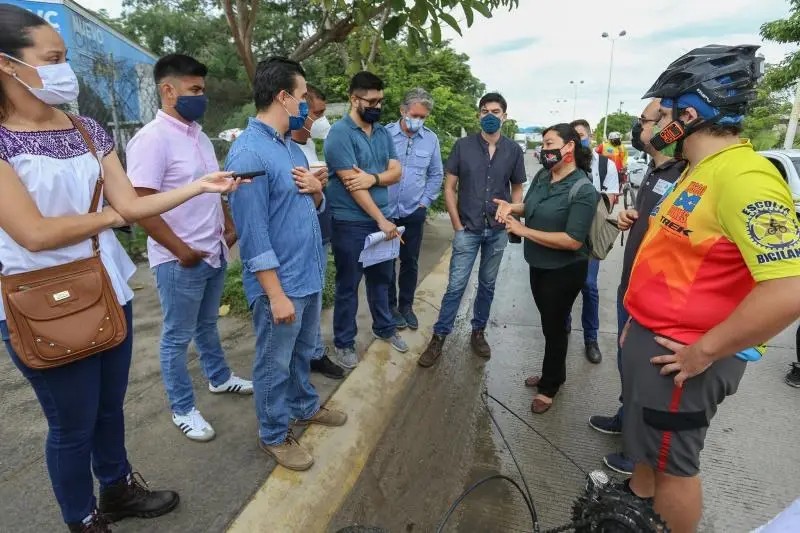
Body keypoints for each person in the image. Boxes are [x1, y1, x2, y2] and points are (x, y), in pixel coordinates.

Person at [0, 6, 241, 531]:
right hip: (39, 300)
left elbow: (132, 205)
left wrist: (200, 187)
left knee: (109, 407)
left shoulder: (86, 129)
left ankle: (116, 489)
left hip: (106, 285)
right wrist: (107, 216)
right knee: (71, 424)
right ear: (8, 65)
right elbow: (34, 234)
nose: (67, 70)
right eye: (53, 59)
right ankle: (82, 517)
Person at [621, 45, 800, 533]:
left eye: (662, 114)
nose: (654, 127)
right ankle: (635, 511)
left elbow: (789, 288)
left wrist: (704, 352)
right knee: (650, 455)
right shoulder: (697, 169)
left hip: (684, 358)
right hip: (654, 339)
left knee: (674, 469)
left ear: (690, 115)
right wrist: (637, 323)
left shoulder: (746, 177)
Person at [226, 57, 347, 472]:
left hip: (306, 274)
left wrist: (316, 191)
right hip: (281, 283)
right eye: (301, 96)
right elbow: (253, 234)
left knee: (300, 353)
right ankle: (274, 433)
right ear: (283, 97)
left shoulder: (289, 145)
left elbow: (309, 206)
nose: (306, 106)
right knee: (273, 363)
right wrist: (275, 294)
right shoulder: (247, 152)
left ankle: (304, 406)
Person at [126, 54, 253, 443]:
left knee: (207, 324)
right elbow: (141, 206)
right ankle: (182, 408)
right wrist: (181, 251)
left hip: (211, 249)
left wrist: (227, 226)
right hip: (179, 258)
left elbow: (211, 187)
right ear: (168, 90)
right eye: (194, 90)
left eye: (203, 90)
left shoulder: (196, 134)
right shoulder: (151, 140)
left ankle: (218, 377)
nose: (202, 97)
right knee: (177, 336)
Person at [587, 99, 687, 476]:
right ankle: (626, 416)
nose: (637, 128)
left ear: (669, 126)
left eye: (643, 121)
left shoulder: (684, 175)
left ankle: (637, 454)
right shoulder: (655, 171)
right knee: (628, 362)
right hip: (632, 286)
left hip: (657, 295)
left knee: (646, 372)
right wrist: (633, 216)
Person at [418, 92, 526, 367]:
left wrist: (514, 217)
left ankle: (478, 331)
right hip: (468, 228)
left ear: (505, 115)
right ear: (478, 115)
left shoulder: (513, 150)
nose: (490, 116)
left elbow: (516, 188)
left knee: (487, 285)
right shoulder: (463, 146)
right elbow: (449, 187)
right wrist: (456, 222)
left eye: (495, 111)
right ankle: (439, 336)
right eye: (484, 112)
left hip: (498, 229)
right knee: (455, 285)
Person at [496, 124, 597, 413]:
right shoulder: (543, 175)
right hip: (538, 263)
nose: (544, 150)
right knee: (549, 323)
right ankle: (554, 373)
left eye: (550, 143)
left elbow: (572, 240)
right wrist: (510, 207)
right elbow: (531, 207)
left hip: (565, 270)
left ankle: (549, 387)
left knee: (555, 327)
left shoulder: (583, 189)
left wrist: (523, 232)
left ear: (569, 148)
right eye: (543, 144)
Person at [323, 71, 405, 369]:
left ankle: (384, 328)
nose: (377, 106)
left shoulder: (382, 132)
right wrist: (382, 219)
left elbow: (397, 172)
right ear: (353, 99)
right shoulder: (339, 135)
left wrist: (372, 177)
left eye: (380, 101)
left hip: (380, 219)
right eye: (371, 101)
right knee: (348, 284)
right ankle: (344, 342)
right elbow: (352, 186)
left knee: (381, 280)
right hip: (350, 222)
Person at [289, 84, 345, 380]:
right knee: (299, 302)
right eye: (318, 112)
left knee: (315, 298)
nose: (323, 119)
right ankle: (300, 359)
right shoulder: (285, 149)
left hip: (320, 233)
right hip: (299, 238)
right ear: (300, 109)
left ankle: (314, 353)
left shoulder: (309, 145)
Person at [385, 88, 444, 330]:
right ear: (402, 110)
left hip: (413, 213)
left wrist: (424, 203)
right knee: (386, 262)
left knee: (410, 262)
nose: (418, 121)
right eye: (415, 115)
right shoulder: (384, 135)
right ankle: (389, 308)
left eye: (423, 117)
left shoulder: (430, 139)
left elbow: (436, 174)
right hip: (386, 213)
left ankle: (406, 306)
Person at [569, 119, 620, 363]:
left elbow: (611, 196)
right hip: (565, 232)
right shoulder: (563, 162)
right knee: (563, 284)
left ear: (590, 135)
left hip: (591, 234)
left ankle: (591, 338)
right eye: (574, 135)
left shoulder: (605, 165)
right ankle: (564, 326)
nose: (580, 139)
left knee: (589, 286)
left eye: (583, 134)